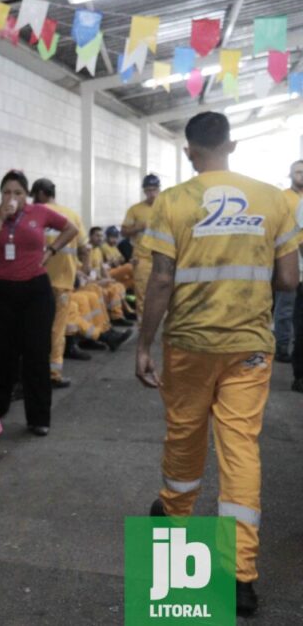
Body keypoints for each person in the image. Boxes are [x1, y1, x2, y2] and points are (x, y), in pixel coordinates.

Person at [135, 112, 301, 617]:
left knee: (185, 438)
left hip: (189, 344)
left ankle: (178, 542)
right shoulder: (274, 199)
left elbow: (161, 279)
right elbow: (291, 280)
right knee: (240, 450)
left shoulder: (173, 201)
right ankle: (239, 578)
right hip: (249, 345)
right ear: (231, 145)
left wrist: (144, 344)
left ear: (189, 151)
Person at [0, 170, 78, 435]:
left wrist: (52, 251)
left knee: (35, 354)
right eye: (7, 192)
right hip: (1, 292)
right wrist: (1, 218)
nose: (12, 197)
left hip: (35, 291)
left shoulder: (39, 213)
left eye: (18, 193)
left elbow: (71, 228)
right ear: (1, 194)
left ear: (26, 195)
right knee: (1, 355)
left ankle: (39, 418)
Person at [30, 178, 89, 389]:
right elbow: (85, 248)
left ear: (40, 194)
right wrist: (86, 269)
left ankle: (32, 372)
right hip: (63, 282)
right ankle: (53, 372)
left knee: (36, 328)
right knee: (57, 329)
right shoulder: (71, 215)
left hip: (35, 283)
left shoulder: (32, 215)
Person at [122, 173, 161, 321]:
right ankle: (143, 329)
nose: (151, 193)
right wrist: (137, 227)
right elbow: (124, 232)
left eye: (154, 189)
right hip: (142, 259)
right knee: (143, 295)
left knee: (164, 294)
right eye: (148, 190)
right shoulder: (135, 210)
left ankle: (162, 327)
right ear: (144, 191)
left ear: (159, 189)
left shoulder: (166, 208)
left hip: (163, 257)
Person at [278, 160, 303, 365]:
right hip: (288, 257)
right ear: (290, 175)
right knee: (286, 306)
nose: (301, 176)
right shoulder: (282, 198)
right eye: (297, 172)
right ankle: (282, 346)